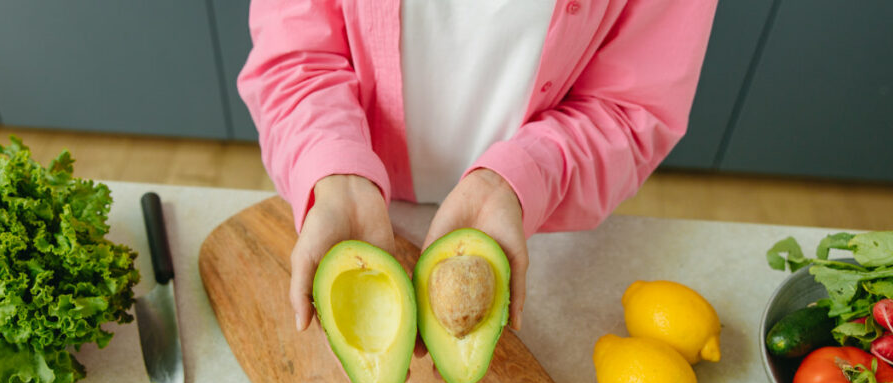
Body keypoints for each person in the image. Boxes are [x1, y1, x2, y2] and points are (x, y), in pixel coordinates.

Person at [238, 0, 718, 337]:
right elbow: (295, 56)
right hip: (352, 202)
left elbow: (631, 108)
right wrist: (334, 170)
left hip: (530, 224)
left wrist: (520, 176)